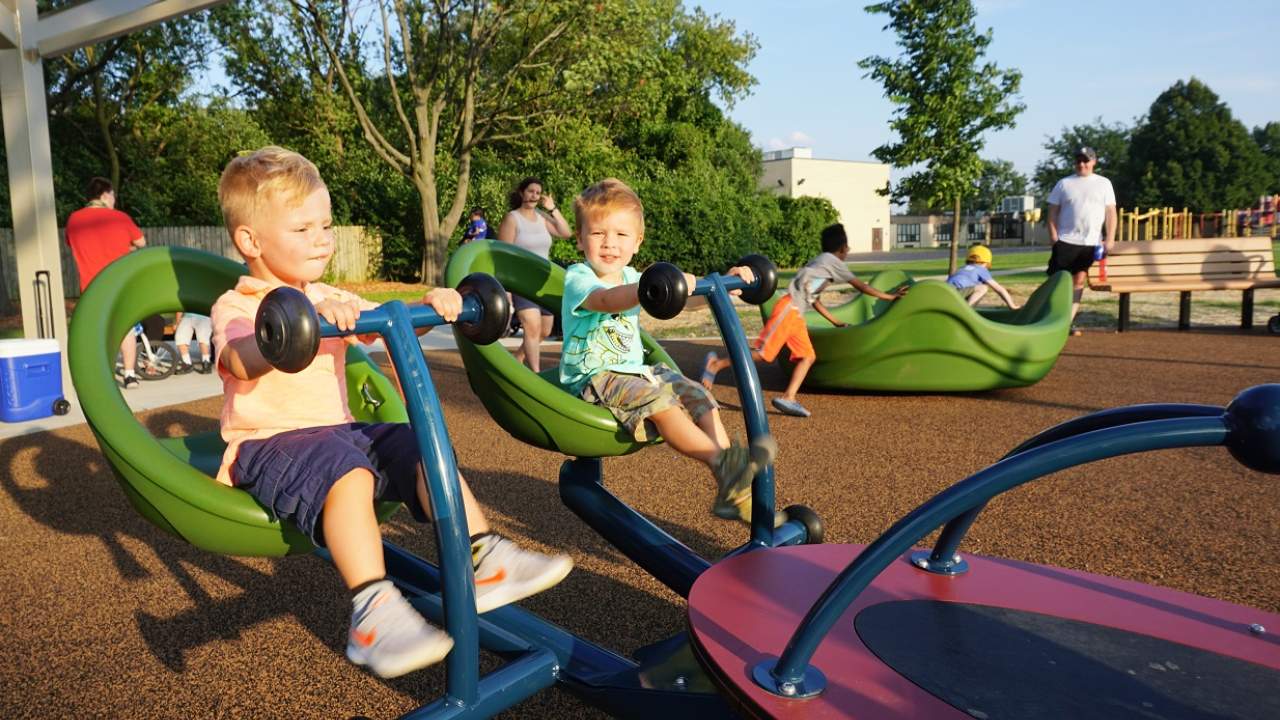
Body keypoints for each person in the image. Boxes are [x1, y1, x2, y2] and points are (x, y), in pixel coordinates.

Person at [210, 147, 572, 679]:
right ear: (251, 241)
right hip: (267, 443)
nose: (322, 239)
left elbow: (388, 324)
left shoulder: (329, 294)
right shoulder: (241, 304)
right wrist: (297, 324)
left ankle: (482, 556)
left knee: (418, 444)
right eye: (304, 228)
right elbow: (238, 360)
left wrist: (434, 307)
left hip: (337, 432)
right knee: (348, 472)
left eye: (327, 225)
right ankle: (372, 612)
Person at [560, 178, 774, 523]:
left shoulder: (632, 275)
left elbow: (679, 303)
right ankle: (723, 462)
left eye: (621, 235)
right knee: (664, 405)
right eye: (598, 234)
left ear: (637, 242)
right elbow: (606, 300)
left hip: (636, 371)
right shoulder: (579, 277)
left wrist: (720, 289)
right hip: (595, 377)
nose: (610, 244)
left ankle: (730, 483)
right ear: (581, 237)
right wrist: (648, 287)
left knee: (697, 394)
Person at [701, 223, 907, 418]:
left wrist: (835, 321)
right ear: (843, 248)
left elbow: (814, 300)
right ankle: (715, 364)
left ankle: (788, 397)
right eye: (847, 247)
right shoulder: (833, 262)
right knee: (764, 354)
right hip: (788, 308)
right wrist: (891, 297)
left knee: (807, 356)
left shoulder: (822, 263)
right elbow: (861, 286)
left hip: (796, 315)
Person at [65, 177, 146, 388]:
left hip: (91, 287)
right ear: (105, 194)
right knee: (125, 327)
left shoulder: (74, 219)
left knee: (98, 331)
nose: (114, 200)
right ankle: (129, 375)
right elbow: (141, 243)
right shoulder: (119, 218)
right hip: (119, 284)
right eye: (113, 196)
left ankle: (102, 375)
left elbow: (73, 244)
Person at [497, 177, 571, 372]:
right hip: (521, 281)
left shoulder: (542, 217)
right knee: (532, 328)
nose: (534, 196)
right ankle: (536, 374)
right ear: (522, 193)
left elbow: (565, 232)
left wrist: (552, 209)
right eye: (531, 191)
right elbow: (502, 256)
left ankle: (516, 360)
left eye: (538, 193)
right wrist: (507, 290)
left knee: (544, 331)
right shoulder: (512, 218)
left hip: (544, 281)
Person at [1046, 146, 1116, 335]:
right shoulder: (1064, 184)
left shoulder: (1104, 184)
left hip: (1090, 242)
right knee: (1056, 281)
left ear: (1094, 162)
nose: (1082, 164)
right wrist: (1053, 236)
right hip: (1066, 240)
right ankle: (1047, 318)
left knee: (1079, 280)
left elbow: (1111, 212)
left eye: (1086, 160)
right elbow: (1052, 212)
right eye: (1078, 161)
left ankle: (1066, 323)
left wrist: (1109, 238)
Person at [946, 245, 1020, 309]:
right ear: (986, 263)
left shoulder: (962, 269)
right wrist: (1012, 305)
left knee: (973, 288)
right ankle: (967, 310)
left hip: (947, 292)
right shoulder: (981, 269)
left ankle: (963, 307)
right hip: (956, 292)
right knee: (983, 288)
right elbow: (999, 289)